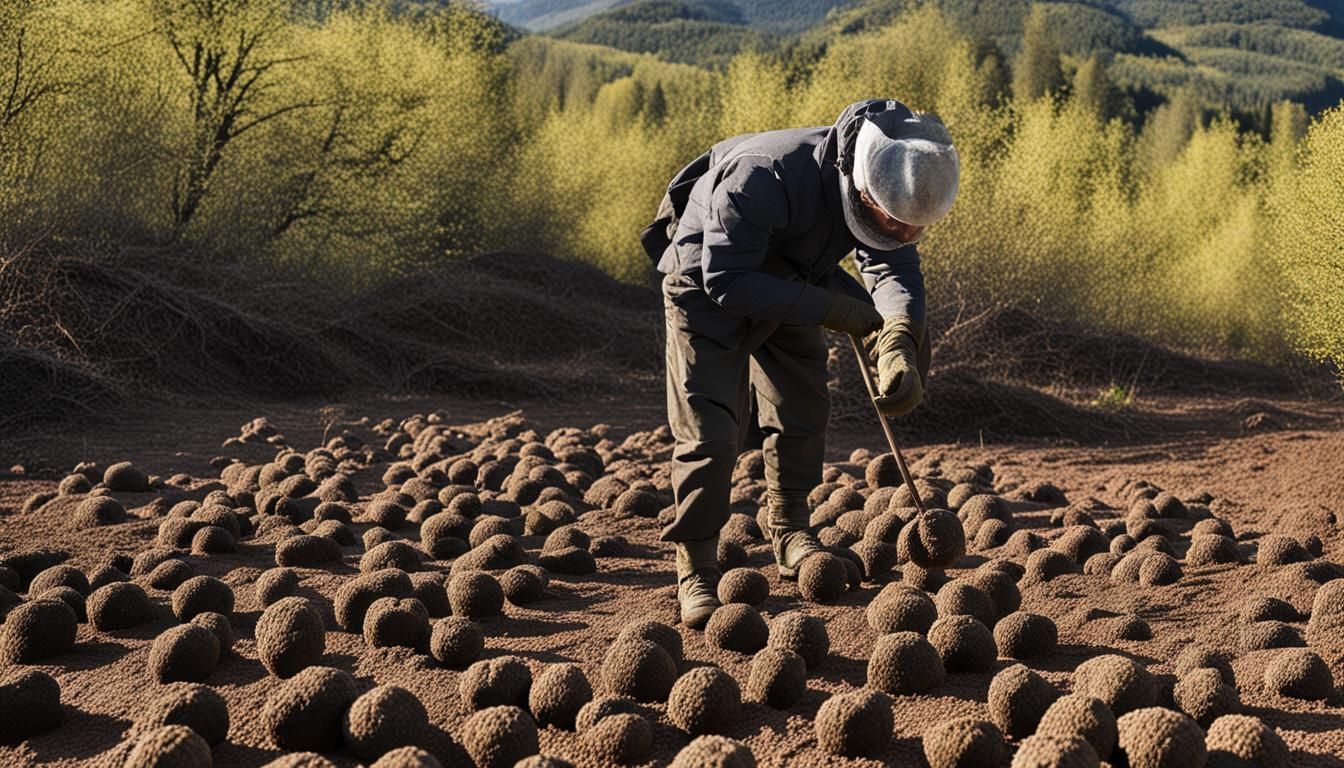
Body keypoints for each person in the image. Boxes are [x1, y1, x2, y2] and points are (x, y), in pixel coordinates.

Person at [645, 98, 960, 628]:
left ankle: (790, 529)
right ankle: (696, 565)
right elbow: (728, 281)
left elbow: (895, 270)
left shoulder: (886, 196)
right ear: (862, 189)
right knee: (711, 431)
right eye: (897, 222)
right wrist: (835, 308)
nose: (907, 235)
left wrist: (901, 336)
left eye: (915, 226)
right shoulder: (764, 176)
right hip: (706, 282)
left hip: (792, 276)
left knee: (802, 406)